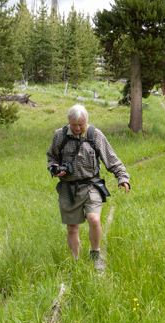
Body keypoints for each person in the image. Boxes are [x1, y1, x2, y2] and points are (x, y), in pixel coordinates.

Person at [46, 104, 130, 271]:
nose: (77, 128)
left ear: (86, 122)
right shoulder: (59, 136)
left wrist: (122, 177)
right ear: (69, 121)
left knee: (94, 219)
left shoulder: (95, 135)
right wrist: (54, 168)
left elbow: (111, 158)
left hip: (91, 185)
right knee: (72, 228)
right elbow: (51, 157)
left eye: (81, 125)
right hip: (68, 188)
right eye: (74, 125)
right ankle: (75, 262)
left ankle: (95, 254)